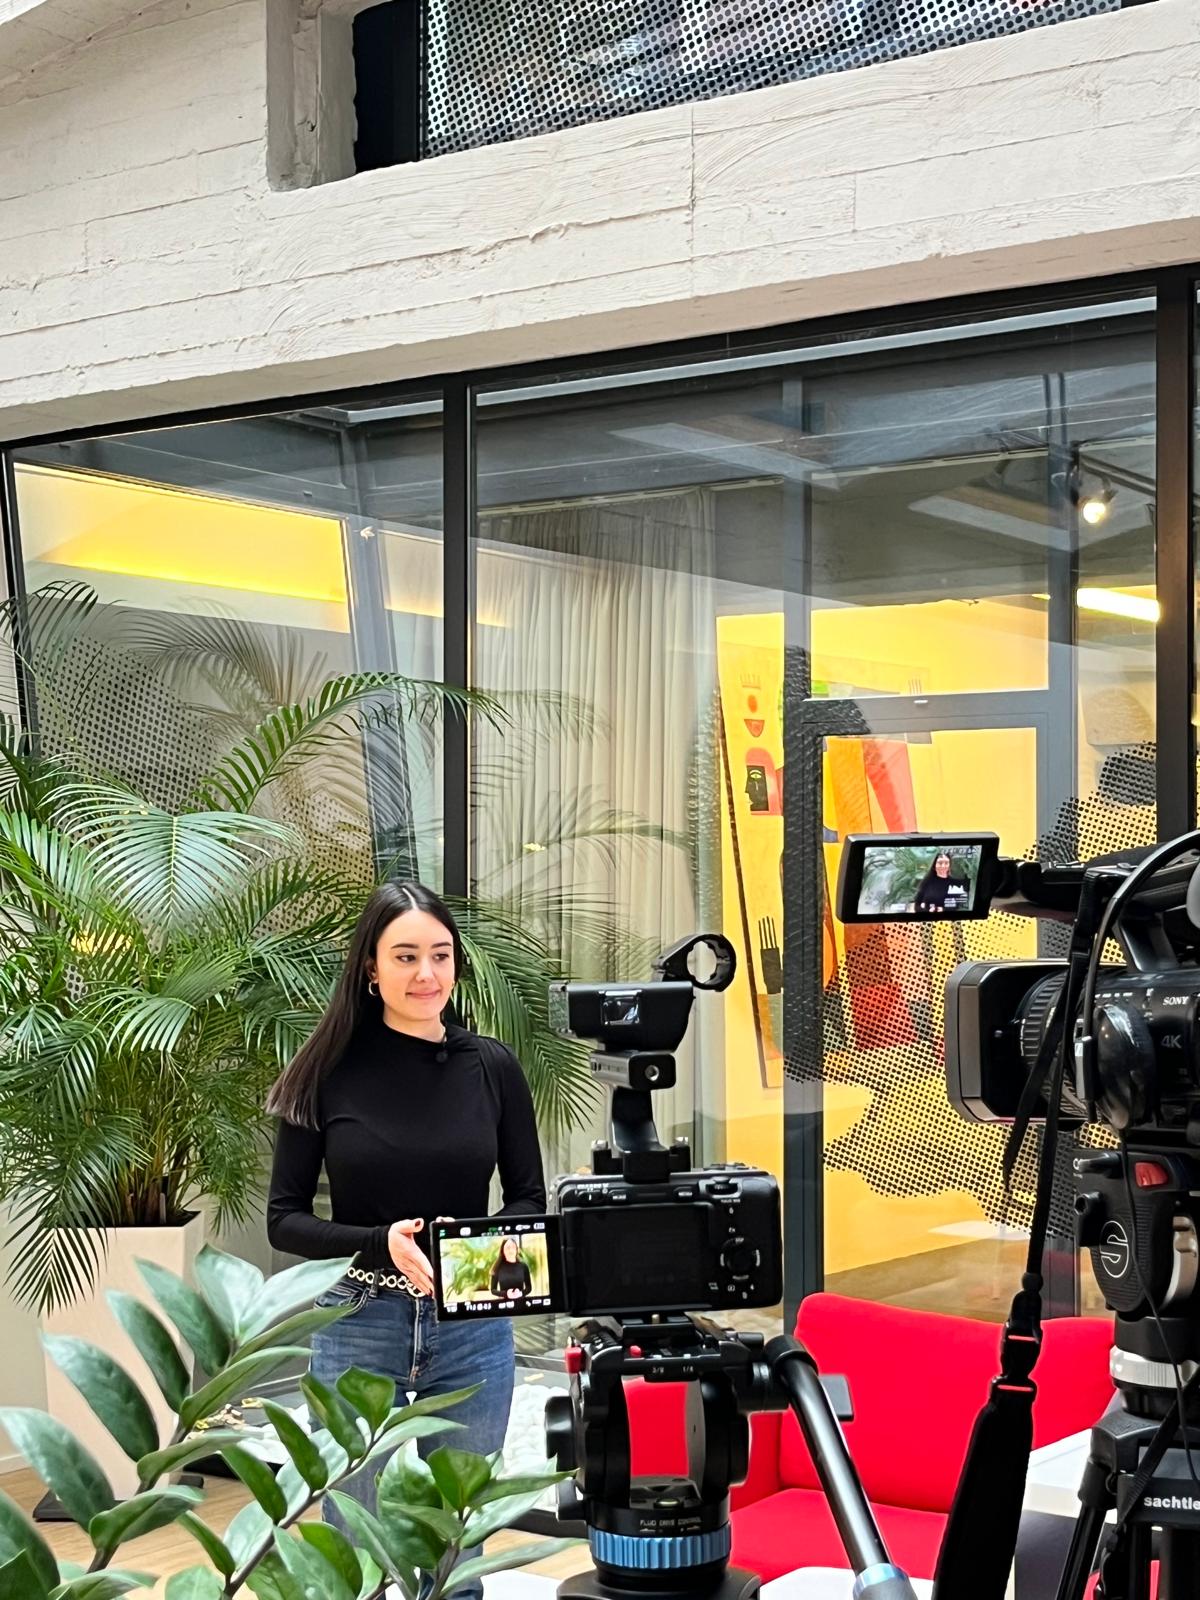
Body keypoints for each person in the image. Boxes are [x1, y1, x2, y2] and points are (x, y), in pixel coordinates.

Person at [266, 881, 546, 1587]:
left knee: (457, 1546)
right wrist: (376, 1241)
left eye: (440, 955)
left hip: (472, 1324)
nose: (426, 974)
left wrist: (472, 1243)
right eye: (406, 956)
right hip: (358, 1323)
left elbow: (528, 1200)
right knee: (357, 1545)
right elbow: (285, 1218)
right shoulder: (324, 1071)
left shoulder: (493, 1067)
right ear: (371, 966)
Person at [488, 1235, 532, 1301]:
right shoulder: (497, 1267)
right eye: (508, 1248)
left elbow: (529, 1288)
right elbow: (493, 1290)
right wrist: (506, 1294)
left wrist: (520, 1293)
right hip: (504, 1303)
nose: (511, 1250)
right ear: (503, 1251)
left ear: (517, 1249)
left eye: (513, 1247)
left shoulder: (524, 1266)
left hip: (521, 1302)